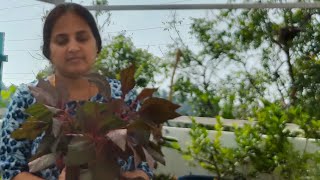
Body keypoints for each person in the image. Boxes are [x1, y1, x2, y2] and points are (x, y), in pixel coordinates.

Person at [0, 3, 152, 180]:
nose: (73, 47)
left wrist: (140, 176)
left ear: (97, 45)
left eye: (82, 38)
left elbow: (144, 162)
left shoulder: (123, 96)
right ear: (48, 50)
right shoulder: (27, 98)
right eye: (61, 40)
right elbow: (11, 168)